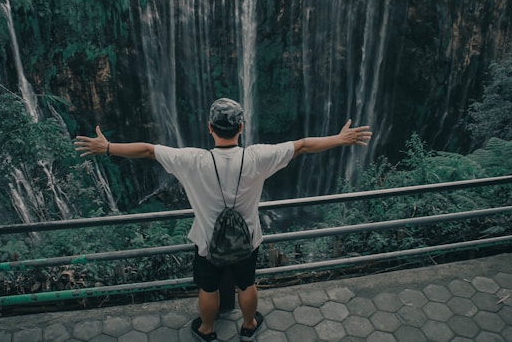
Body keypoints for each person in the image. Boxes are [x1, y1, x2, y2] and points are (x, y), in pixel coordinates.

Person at [74, 98, 372, 342]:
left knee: (208, 288)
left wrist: (108, 148)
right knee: (247, 284)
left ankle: (207, 330)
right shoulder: (258, 157)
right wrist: (340, 139)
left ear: (209, 127)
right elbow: (303, 145)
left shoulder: (192, 160)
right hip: (249, 240)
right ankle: (248, 325)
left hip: (207, 242)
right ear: (241, 127)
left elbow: (149, 151)